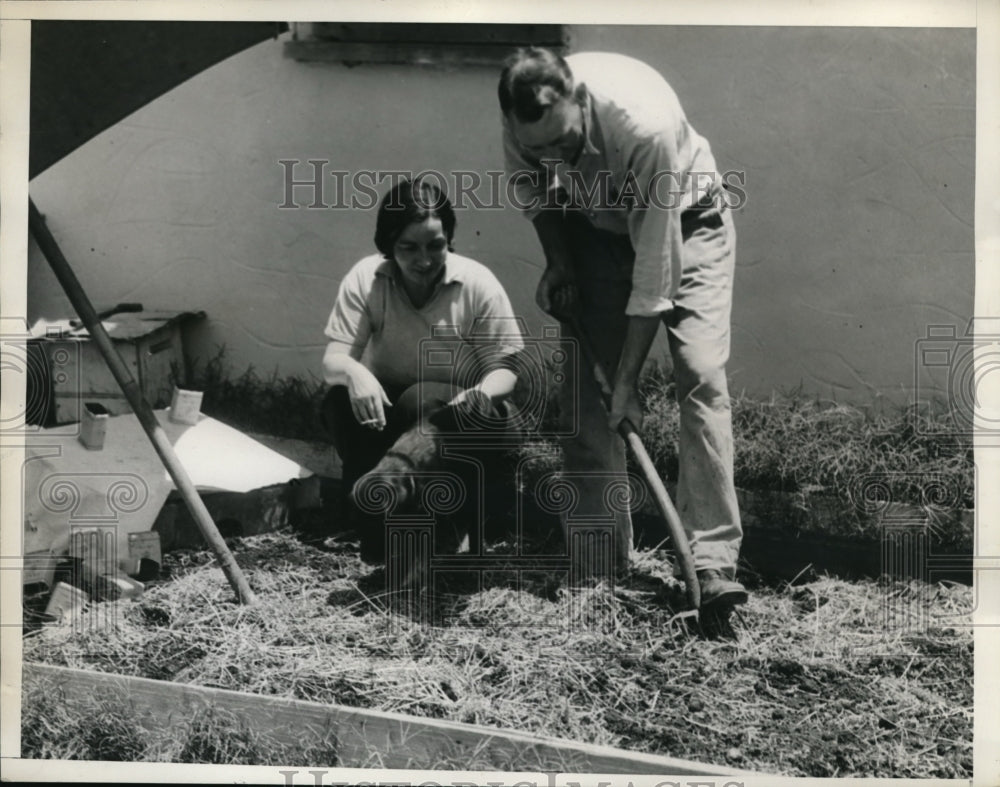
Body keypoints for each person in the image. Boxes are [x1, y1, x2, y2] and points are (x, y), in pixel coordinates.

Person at [498, 48, 747, 611]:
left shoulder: (644, 128)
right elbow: (535, 192)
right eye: (539, 148)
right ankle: (596, 565)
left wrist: (628, 381)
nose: (551, 155)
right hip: (595, 226)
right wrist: (560, 261)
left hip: (689, 220)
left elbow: (656, 278)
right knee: (587, 395)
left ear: (581, 100)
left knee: (701, 375)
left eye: (563, 143)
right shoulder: (522, 118)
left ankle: (709, 564)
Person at [321, 178, 524, 559]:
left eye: (436, 245)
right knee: (340, 401)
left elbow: (506, 372)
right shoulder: (367, 279)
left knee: (421, 400)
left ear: (449, 240)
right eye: (408, 247)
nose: (425, 260)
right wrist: (355, 373)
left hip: (474, 420)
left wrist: (478, 394)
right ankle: (378, 526)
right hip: (402, 419)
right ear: (387, 246)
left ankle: (438, 522)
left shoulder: (477, 283)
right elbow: (333, 361)